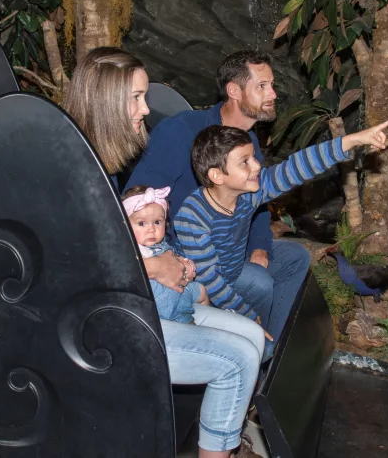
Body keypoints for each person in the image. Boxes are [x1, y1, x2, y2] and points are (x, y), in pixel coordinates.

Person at [64, 46, 265, 458]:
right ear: (104, 102)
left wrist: (173, 267)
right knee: (238, 357)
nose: (145, 109)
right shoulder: (73, 168)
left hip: (141, 298)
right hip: (104, 318)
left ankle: (221, 434)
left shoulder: (105, 166)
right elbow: (79, 259)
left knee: (248, 333)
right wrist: (155, 266)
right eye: (136, 98)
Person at [126, 50, 309, 349]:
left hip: (230, 244)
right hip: (189, 253)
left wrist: (260, 247)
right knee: (259, 282)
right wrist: (162, 259)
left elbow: (257, 200)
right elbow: (136, 201)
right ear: (234, 91)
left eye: (272, 85)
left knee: (295, 257)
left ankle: (272, 351)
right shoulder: (181, 131)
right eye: (262, 86)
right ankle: (255, 349)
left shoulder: (248, 142)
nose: (273, 94)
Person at [175, 121, 388, 326]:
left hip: (233, 270)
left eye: (254, 157)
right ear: (217, 176)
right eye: (245, 162)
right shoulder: (192, 217)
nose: (256, 166)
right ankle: (260, 336)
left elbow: (296, 167)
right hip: (204, 292)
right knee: (261, 283)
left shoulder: (248, 194)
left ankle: (275, 335)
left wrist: (353, 140)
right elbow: (211, 281)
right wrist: (248, 315)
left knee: (296, 256)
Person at [123, 185, 208, 324]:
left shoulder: (162, 244)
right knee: (189, 323)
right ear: (125, 225)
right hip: (165, 308)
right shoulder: (131, 250)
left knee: (201, 290)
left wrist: (186, 266)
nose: (151, 229)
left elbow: (174, 259)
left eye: (157, 222)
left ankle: (211, 317)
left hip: (179, 292)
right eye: (142, 223)